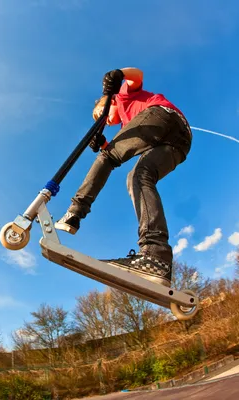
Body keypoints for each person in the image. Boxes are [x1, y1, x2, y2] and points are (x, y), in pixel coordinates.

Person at [54, 68, 192, 287]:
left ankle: (74, 212)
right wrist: (104, 145)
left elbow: (137, 76)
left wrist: (118, 74)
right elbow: (123, 149)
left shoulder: (122, 97)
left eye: (100, 113)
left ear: (108, 102)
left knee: (107, 158)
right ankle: (156, 257)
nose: (103, 121)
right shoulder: (128, 125)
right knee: (138, 176)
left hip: (162, 115)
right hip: (180, 142)